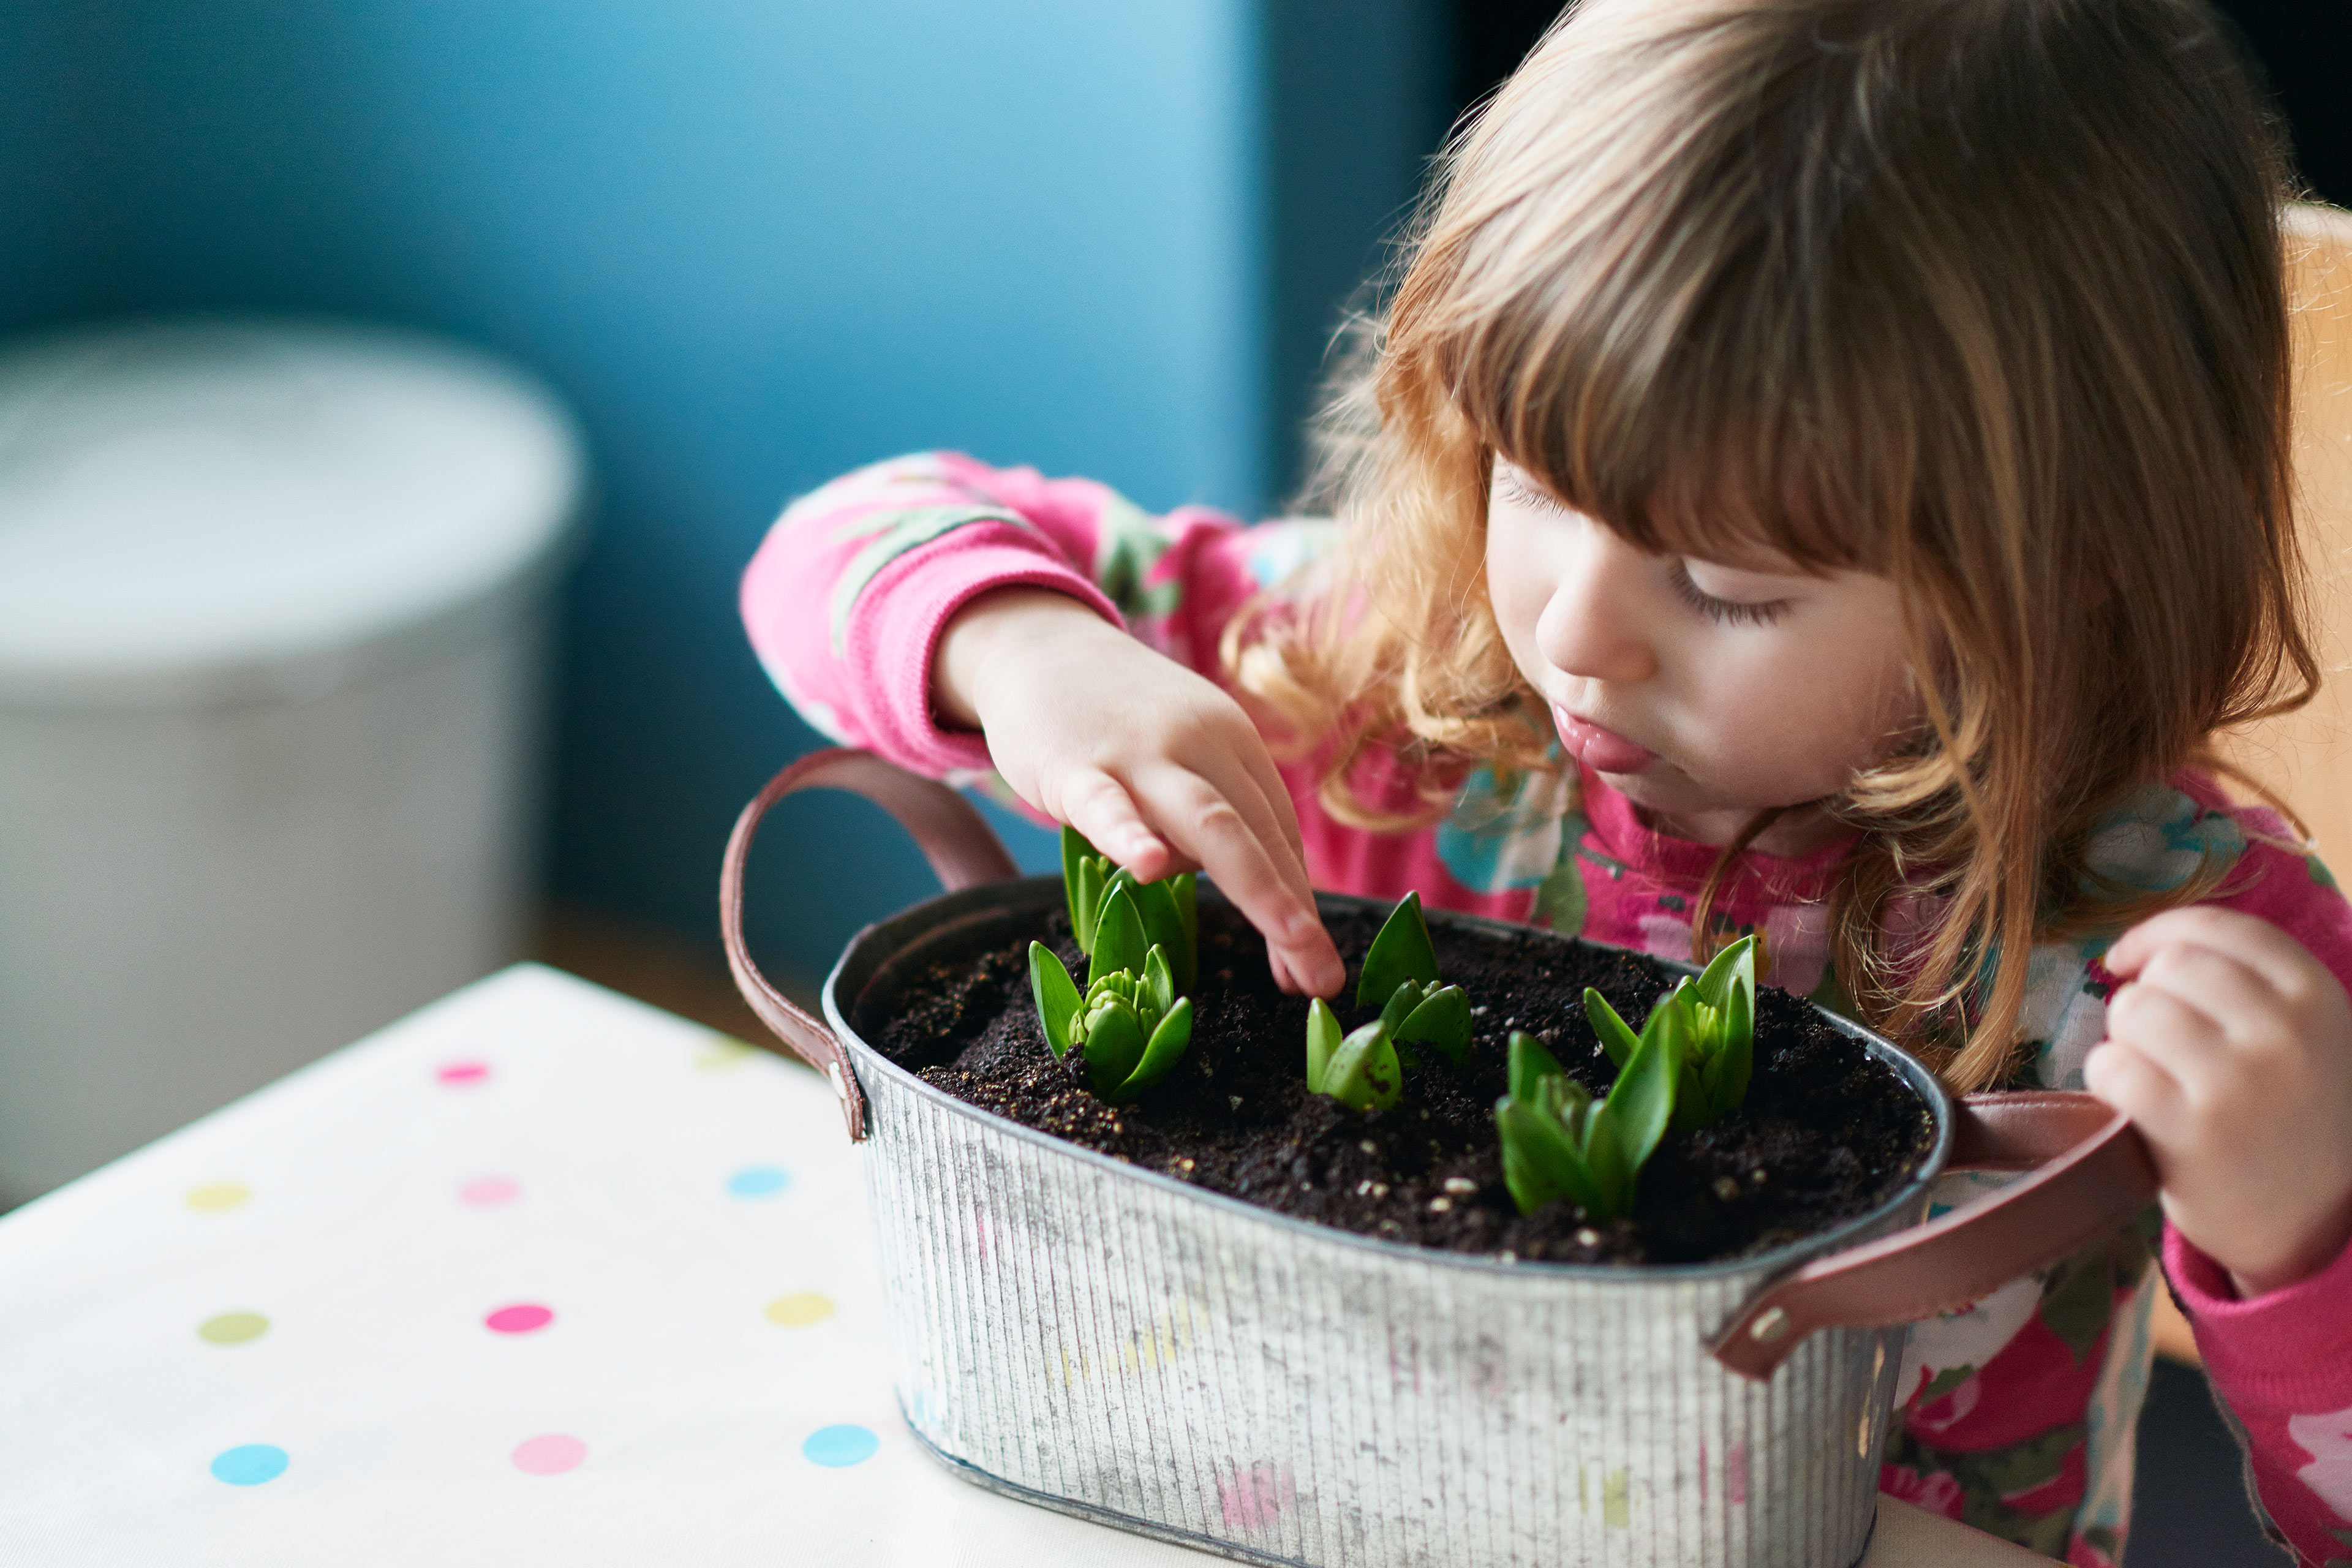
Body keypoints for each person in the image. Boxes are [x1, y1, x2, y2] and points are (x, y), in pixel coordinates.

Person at [742, 1, 2352, 1560]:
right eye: (1530, 480)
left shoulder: (2189, 935)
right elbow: (839, 538)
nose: (1579, 633)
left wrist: (2304, 1231)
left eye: (1728, 584)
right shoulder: (1376, 676)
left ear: (2071, 566)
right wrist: (1024, 653)